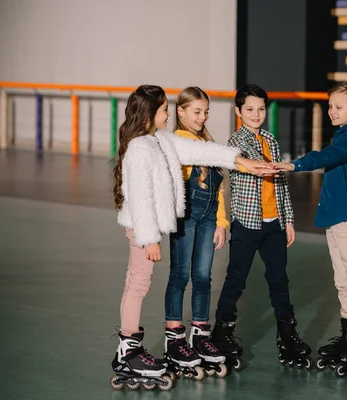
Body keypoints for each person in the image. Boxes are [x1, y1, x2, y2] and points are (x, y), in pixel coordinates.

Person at [110, 85, 274, 387]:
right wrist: (150, 239)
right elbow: (140, 196)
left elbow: (202, 150)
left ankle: (129, 348)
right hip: (141, 228)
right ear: (149, 114)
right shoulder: (139, 148)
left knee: (138, 282)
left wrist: (242, 161)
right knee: (138, 284)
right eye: (163, 110)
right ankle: (127, 351)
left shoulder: (159, 140)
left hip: (149, 228)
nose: (167, 114)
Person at [273, 81, 347, 377]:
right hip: (336, 218)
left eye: (338, 107)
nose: (331, 111)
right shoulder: (343, 134)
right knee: (342, 279)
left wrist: (295, 165)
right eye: (330, 106)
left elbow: (328, 157)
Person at [211, 84, 312, 370]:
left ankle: (287, 333)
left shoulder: (271, 140)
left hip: (274, 225)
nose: (256, 114)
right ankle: (222, 330)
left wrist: (288, 218)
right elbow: (237, 164)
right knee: (236, 279)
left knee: (279, 280)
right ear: (238, 111)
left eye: (261, 109)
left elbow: (281, 184)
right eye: (250, 109)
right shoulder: (236, 142)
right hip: (247, 224)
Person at [163, 87, 230, 378]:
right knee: (180, 275)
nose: (202, 117)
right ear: (181, 112)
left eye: (205, 112)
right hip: (185, 218)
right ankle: (174, 337)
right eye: (196, 112)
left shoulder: (207, 142)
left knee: (203, 277)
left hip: (207, 220)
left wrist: (222, 223)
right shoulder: (178, 140)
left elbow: (220, 188)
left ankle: (200, 335)